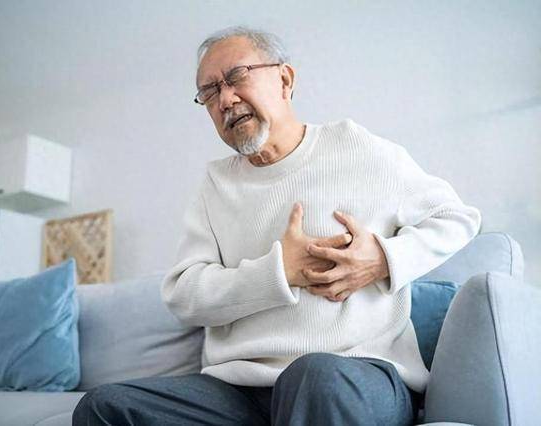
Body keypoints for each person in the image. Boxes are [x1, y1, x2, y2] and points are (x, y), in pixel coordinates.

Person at [73, 26, 481, 425]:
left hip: (353, 373)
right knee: (105, 406)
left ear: (285, 79)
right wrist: (279, 272)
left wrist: (383, 258)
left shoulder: (357, 147)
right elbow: (184, 296)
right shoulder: (215, 185)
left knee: (313, 377)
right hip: (238, 392)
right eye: (209, 92)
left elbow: (458, 218)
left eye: (237, 76)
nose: (225, 99)